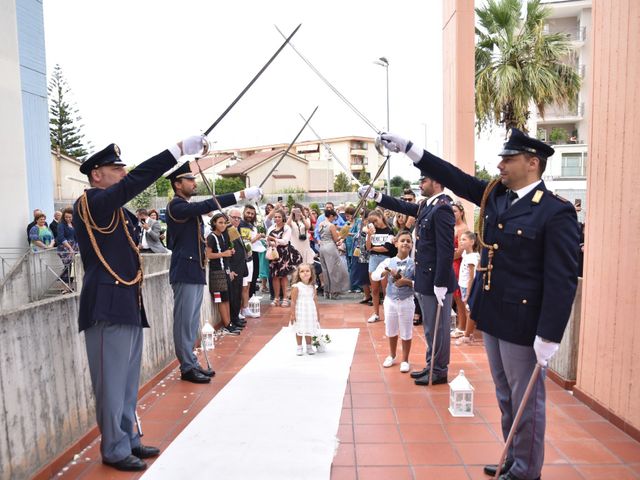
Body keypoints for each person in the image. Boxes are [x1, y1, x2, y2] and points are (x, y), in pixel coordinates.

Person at [379, 129, 579, 480]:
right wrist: (412, 151)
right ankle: (512, 459)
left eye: (509, 159)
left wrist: (549, 335)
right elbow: (456, 178)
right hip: (493, 314)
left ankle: (526, 472)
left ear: (533, 163)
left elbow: (561, 278)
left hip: (524, 321)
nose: (500, 165)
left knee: (526, 403)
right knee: (505, 396)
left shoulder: (554, 211)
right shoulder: (496, 196)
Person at [73, 137, 204, 471]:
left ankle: (128, 437)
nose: (122, 172)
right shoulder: (90, 203)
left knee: (127, 382)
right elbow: (135, 182)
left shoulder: (114, 208)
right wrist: (176, 151)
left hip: (127, 299)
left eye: (121, 168)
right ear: (96, 175)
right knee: (111, 384)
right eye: (115, 169)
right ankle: (114, 448)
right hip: (105, 302)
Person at [166, 160, 261, 384]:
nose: (194, 182)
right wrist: (241, 194)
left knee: (190, 322)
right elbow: (204, 206)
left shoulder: (185, 208)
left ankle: (190, 361)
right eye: (189, 179)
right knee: (184, 322)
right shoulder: (176, 206)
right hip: (185, 271)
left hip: (194, 270)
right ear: (177, 184)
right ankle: (187, 367)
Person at [359, 174, 457, 387]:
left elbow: (446, 250)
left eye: (424, 180)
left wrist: (440, 283)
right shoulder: (427, 205)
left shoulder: (443, 208)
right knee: (431, 328)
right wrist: (377, 195)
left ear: (437, 182)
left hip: (435, 281)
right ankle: (432, 365)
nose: (420, 183)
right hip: (426, 279)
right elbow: (403, 206)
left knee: (438, 328)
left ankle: (439, 370)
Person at [370, 230, 416, 373]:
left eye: (408, 241)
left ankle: (405, 359)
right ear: (396, 243)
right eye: (402, 240)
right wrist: (385, 272)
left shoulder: (414, 264)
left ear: (412, 245)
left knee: (406, 330)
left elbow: (419, 283)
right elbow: (375, 276)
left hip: (407, 300)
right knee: (391, 328)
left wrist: (407, 282)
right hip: (390, 300)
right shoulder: (387, 262)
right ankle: (392, 355)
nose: (405, 243)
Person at [205, 212, 241, 336]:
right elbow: (208, 255)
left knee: (226, 298)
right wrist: (223, 254)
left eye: (224, 223)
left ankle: (229, 323)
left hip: (224, 270)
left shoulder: (222, 236)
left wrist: (229, 252)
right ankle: (227, 325)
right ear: (214, 223)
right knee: (221, 299)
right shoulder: (211, 237)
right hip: (216, 273)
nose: (223, 225)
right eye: (220, 222)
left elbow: (224, 253)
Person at [364, 210, 396, 323]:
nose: (375, 224)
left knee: (386, 288)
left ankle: (388, 313)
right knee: (375, 288)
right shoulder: (372, 231)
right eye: (372, 222)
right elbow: (367, 247)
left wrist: (372, 248)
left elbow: (386, 248)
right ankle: (376, 313)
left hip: (385, 259)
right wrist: (369, 235)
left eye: (375, 220)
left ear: (381, 217)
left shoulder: (389, 230)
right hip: (373, 259)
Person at [266, 209, 298, 306]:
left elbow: (285, 241)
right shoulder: (271, 228)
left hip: (283, 254)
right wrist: (270, 242)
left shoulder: (286, 227)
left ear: (283, 217)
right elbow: (266, 240)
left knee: (283, 276)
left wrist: (274, 240)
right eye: (275, 217)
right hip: (273, 254)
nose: (277, 218)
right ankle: (276, 298)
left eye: (279, 217)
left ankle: (285, 298)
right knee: (275, 276)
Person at [317, 209, 350, 299]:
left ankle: (327, 291)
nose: (335, 219)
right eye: (334, 217)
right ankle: (334, 292)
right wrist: (343, 235)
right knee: (334, 270)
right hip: (330, 247)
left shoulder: (321, 224)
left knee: (325, 270)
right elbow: (336, 239)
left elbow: (321, 236)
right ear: (331, 216)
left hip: (322, 247)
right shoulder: (331, 225)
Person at [289, 263, 320, 355]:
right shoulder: (297, 287)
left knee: (308, 327)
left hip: (310, 311)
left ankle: (309, 346)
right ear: (298, 274)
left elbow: (315, 300)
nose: (305, 273)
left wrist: (318, 313)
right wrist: (292, 314)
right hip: (300, 311)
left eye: (307, 271)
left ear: (311, 273)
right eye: (302, 271)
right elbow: (293, 301)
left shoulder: (313, 287)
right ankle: (299, 347)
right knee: (299, 328)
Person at [455, 231, 480, 345]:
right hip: (463, 286)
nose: (461, 241)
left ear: (472, 242)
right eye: (460, 239)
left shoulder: (472, 257)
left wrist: (469, 293)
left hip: (467, 287)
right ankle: (468, 333)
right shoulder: (466, 254)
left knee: (469, 311)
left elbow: (471, 277)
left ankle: (467, 335)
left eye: (464, 239)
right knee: (466, 310)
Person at [238, 205, 264, 317]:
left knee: (248, 284)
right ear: (244, 212)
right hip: (245, 258)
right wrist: (258, 237)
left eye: (252, 214)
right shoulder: (243, 225)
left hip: (250, 257)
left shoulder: (249, 225)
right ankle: (242, 308)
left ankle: (245, 307)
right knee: (245, 285)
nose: (250, 215)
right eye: (248, 213)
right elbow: (247, 244)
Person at [227, 208, 249, 329]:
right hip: (234, 269)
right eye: (234, 217)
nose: (236, 220)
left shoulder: (237, 230)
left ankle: (236, 317)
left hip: (240, 267)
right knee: (234, 295)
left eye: (238, 218)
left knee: (238, 294)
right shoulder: (228, 231)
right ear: (228, 217)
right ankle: (233, 319)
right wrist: (229, 269)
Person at [450, 201, 470, 339]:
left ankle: (462, 326)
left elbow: (459, 252)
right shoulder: (451, 226)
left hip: (458, 263)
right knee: (453, 296)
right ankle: (458, 323)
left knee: (459, 297)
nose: (453, 214)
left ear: (461, 212)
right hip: (450, 262)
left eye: (455, 211)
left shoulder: (463, 228)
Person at [56, 207, 77, 284]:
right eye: (66, 217)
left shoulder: (74, 224)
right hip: (64, 248)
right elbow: (61, 238)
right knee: (68, 267)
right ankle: (65, 286)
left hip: (74, 246)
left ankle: (69, 287)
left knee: (73, 267)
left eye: (70, 217)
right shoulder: (61, 225)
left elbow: (76, 237)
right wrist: (70, 248)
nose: (68, 219)